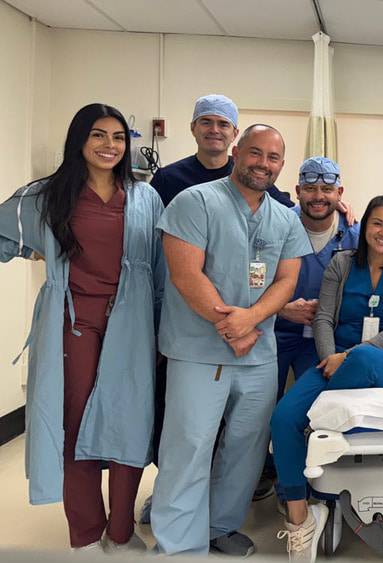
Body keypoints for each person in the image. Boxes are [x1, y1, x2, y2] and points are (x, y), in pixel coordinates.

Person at [0, 103, 164, 552]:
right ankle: (87, 531)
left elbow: (162, 267)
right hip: (74, 321)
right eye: (98, 135)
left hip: (132, 323)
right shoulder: (47, 195)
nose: (109, 146)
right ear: (79, 140)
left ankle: (121, 529)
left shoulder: (146, 197)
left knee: (130, 421)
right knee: (75, 425)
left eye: (118, 137)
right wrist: (38, 254)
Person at [150, 124, 311, 556]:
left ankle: (219, 526)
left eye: (273, 158)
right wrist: (230, 327)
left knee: (246, 447)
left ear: (281, 164)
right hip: (199, 350)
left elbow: (287, 279)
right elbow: (185, 275)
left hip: (258, 354)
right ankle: (178, 543)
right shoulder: (195, 202)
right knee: (190, 445)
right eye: (255, 153)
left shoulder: (283, 216)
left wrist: (251, 320)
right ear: (237, 152)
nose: (263, 164)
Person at [270, 196, 383, 560]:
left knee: (366, 355)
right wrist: (329, 358)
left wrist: (347, 356)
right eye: (377, 223)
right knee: (283, 417)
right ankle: (300, 517)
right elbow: (322, 318)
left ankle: (315, 421)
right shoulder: (340, 262)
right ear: (364, 226)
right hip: (332, 360)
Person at [261, 157, 361, 496]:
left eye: (327, 189)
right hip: (273, 331)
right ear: (297, 191)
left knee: (315, 411)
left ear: (340, 193)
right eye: (311, 189)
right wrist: (280, 308)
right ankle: (262, 472)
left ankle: (312, 479)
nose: (319, 196)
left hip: (324, 340)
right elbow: (250, 277)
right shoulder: (275, 225)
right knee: (257, 410)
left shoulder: (355, 236)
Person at [150, 94, 294, 209]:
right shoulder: (167, 178)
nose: (214, 130)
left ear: (235, 134)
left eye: (223, 124)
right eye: (206, 122)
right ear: (193, 128)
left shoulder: (248, 174)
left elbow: (289, 211)